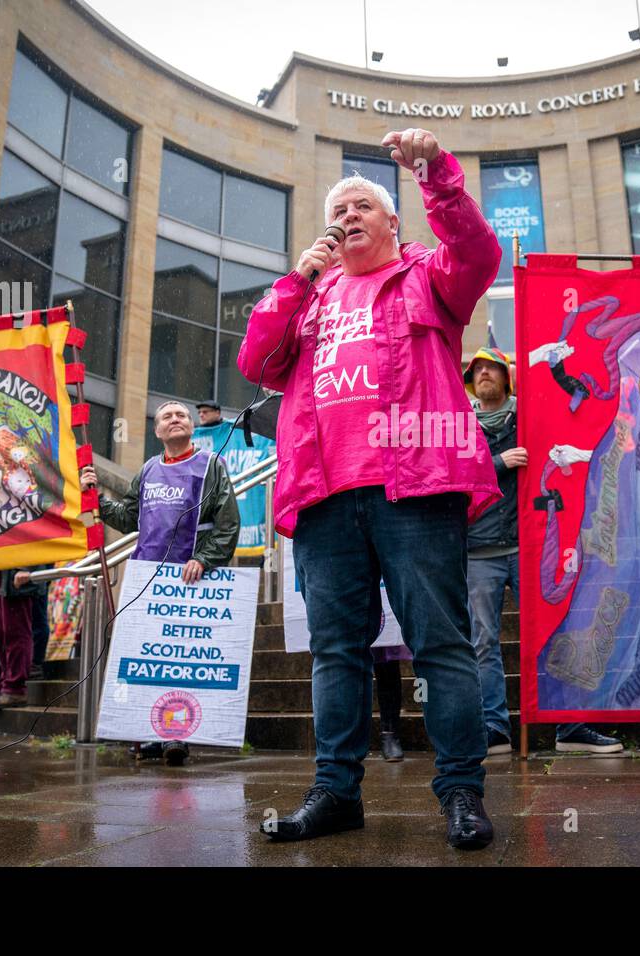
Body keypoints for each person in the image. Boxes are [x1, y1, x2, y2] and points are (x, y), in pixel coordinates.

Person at [238, 127, 502, 850]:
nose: (347, 216)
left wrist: (436, 173)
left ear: (391, 221)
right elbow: (257, 361)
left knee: (440, 643)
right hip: (324, 493)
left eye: (360, 206)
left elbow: (480, 253)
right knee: (335, 651)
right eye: (338, 210)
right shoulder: (311, 298)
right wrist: (295, 281)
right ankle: (336, 791)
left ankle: (461, 793)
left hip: (414, 484)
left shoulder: (427, 275)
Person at [463, 349, 624, 756]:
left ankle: (567, 724)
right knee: (483, 641)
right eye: (477, 369)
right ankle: (495, 729)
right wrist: (499, 462)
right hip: (479, 549)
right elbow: (452, 474)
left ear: (506, 376)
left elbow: (570, 415)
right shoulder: (461, 425)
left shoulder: (529, 417)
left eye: (491, 368)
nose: (484, 373)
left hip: (529, 547)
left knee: (553, 630)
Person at [80, 399, 240, 765]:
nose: (174, 420)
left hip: (189, 580)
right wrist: (98, 498)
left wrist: (204, 558)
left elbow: (228, 524)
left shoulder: (210, 466)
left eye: (181, 415)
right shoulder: (149, 468)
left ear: (191, 426)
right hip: (146, 578)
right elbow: (130, 518)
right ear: (157, 430)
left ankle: (177, 735)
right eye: (166, 416)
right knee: (149, 659)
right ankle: (152, 732)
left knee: (180, 659)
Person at [0, 565, 47, 710]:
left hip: (16, 569)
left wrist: (27, 568)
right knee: (1, 636)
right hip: (0, 569)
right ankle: (4, 685)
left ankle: (15, 688)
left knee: (16, 633)